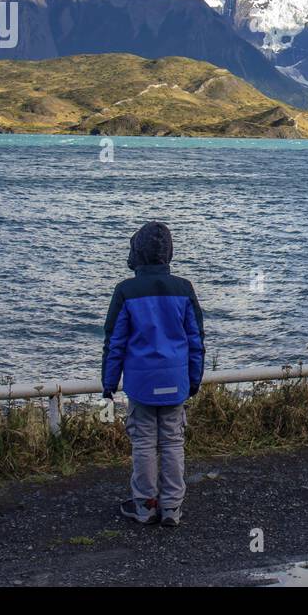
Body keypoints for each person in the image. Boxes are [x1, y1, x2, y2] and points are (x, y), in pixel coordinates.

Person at [102, 221, 205, 527]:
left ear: (138, 252)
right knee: (173, 442)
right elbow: (195, 339)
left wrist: (109, 383)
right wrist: (194, 379)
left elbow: (115, 341)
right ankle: (172, 507)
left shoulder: (125, 291)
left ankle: (145, 505)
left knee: (144, 443)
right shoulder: (184, 289)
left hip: (141, 383)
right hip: (175, 382)